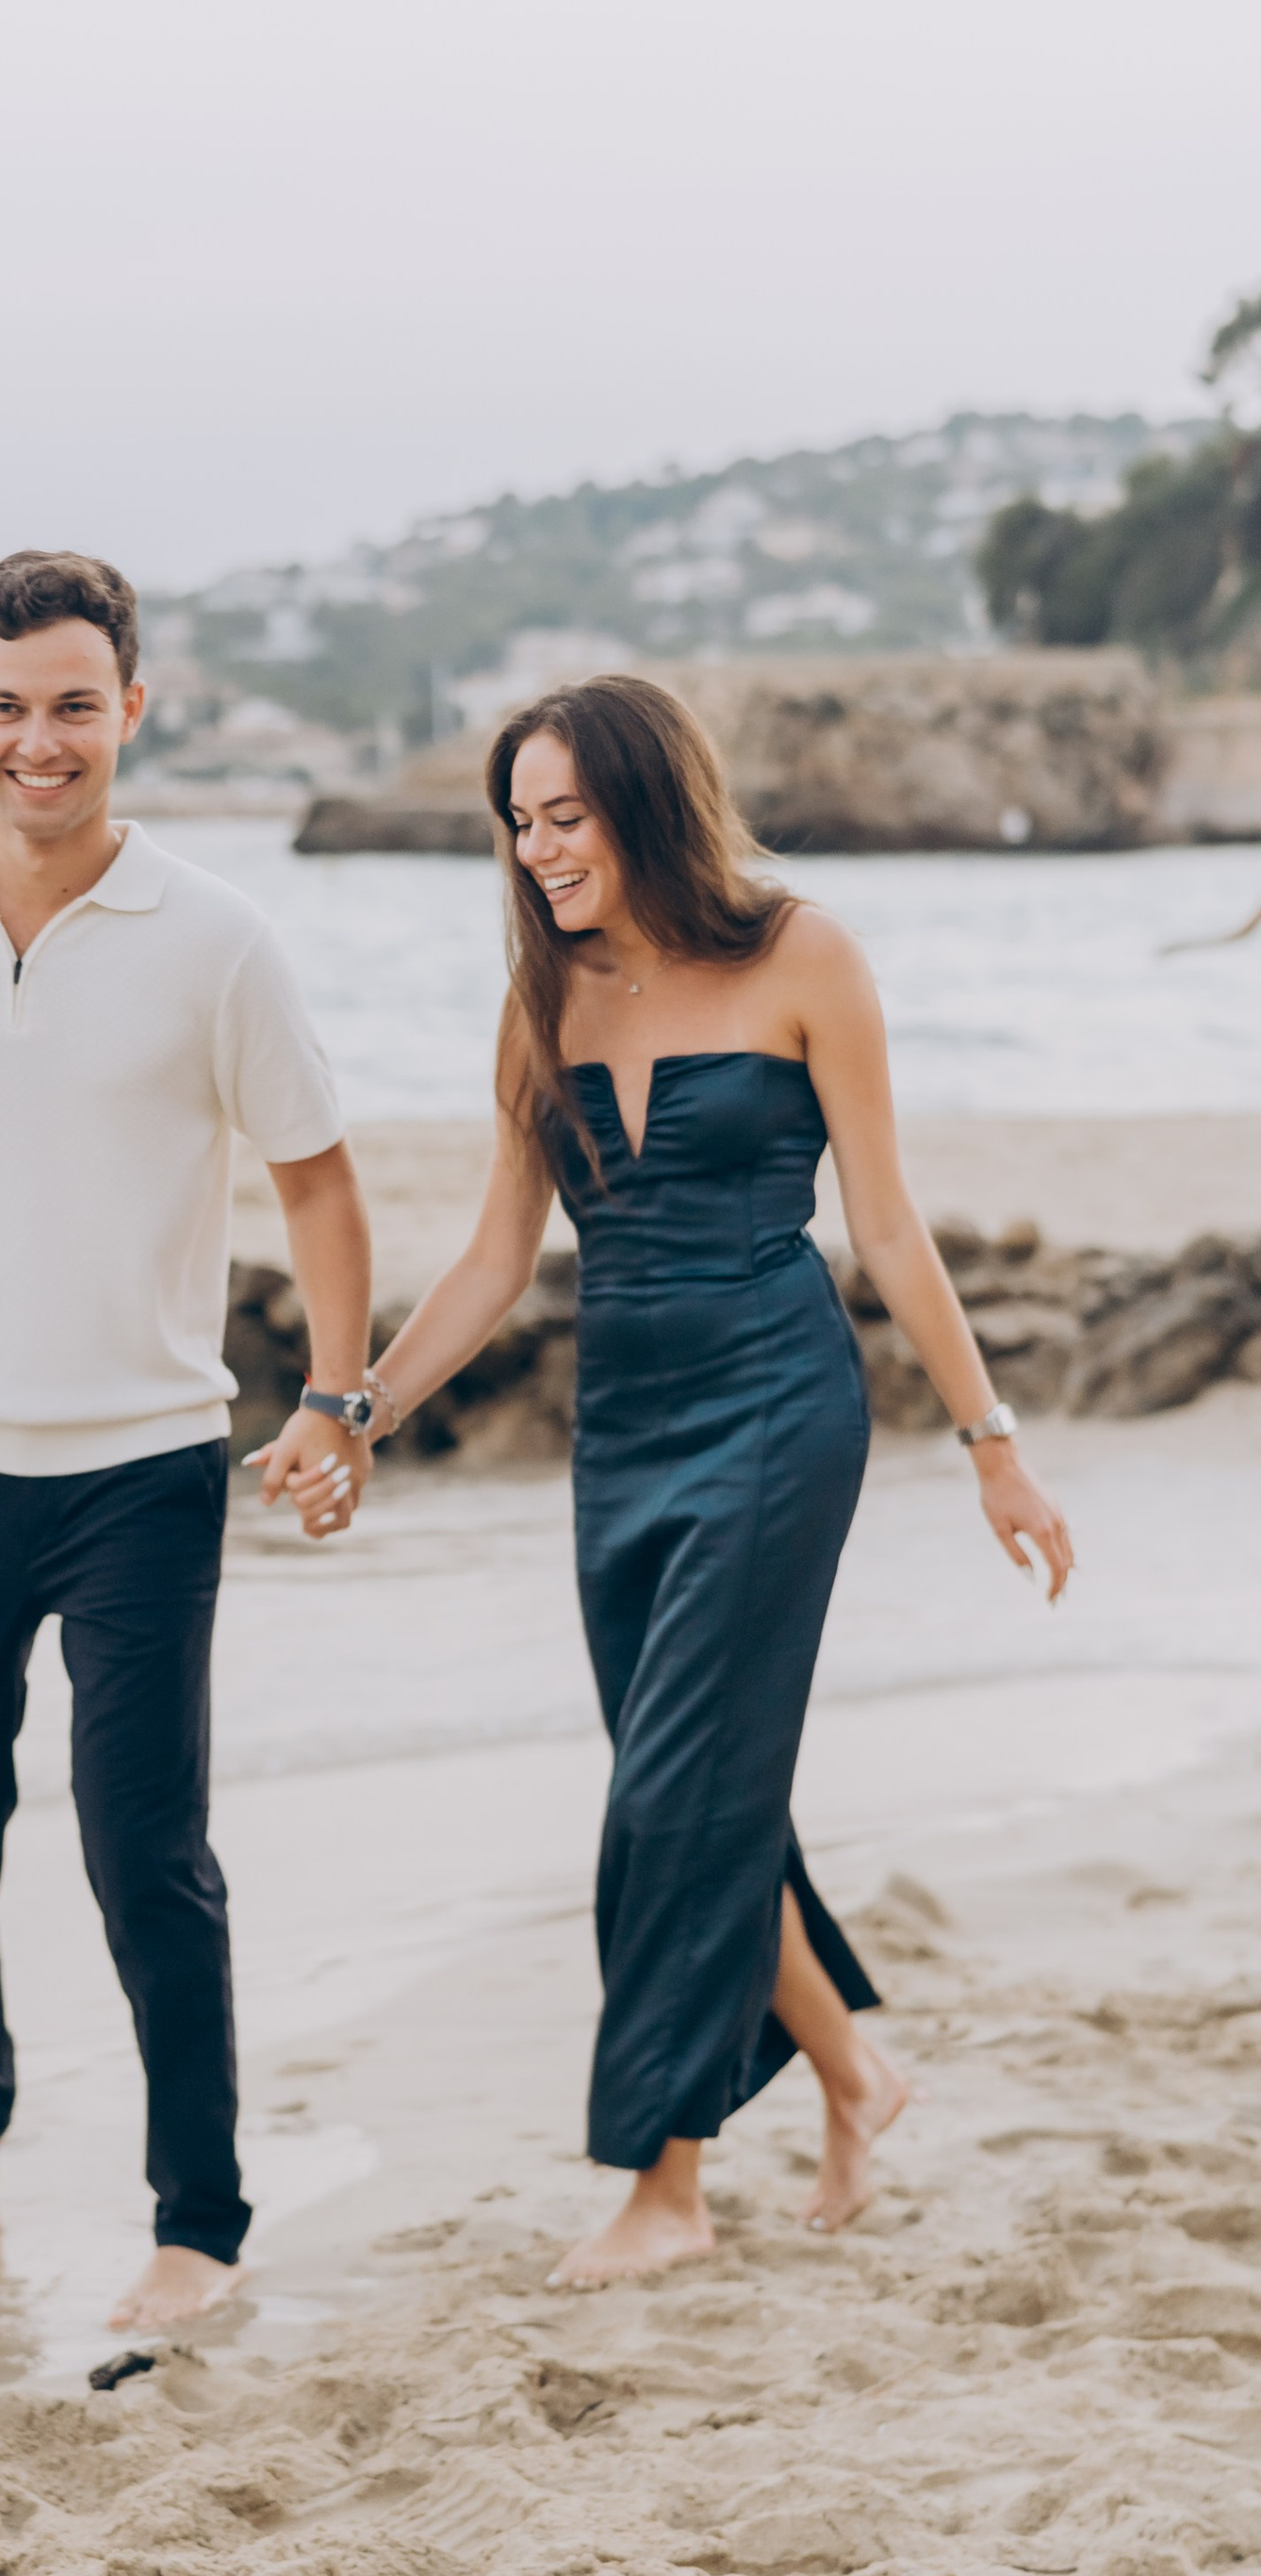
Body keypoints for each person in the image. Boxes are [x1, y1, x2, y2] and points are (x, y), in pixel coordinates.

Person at [360, 675, 1073, 2288]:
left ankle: (663, 2184)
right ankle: (855, 2073)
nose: (541, 852)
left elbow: (888, 1230)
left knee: (670, 1794)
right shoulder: (539, 1002)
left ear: (647, 803)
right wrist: (360, 1406)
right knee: (699, 1785)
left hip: (772, 1405)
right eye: (520, 824)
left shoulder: (803, 956)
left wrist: (993, 1447)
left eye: (569, 817)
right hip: (622, 1429)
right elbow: (493, 1258)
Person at [0, 550, 371, 2328]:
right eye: (9, 707)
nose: (42, 743)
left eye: (76, 707)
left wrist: (339, 1395)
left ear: (133, 709)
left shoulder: (218, 941)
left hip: (141, 1468)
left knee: (144, 1853)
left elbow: (321, 1184)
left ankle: (200, 2226)